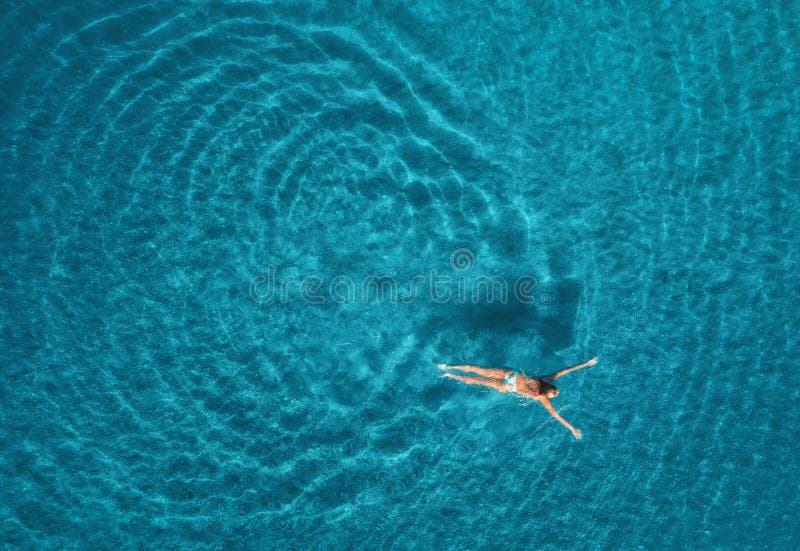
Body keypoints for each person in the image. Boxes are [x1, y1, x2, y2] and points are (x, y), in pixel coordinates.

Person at [437, 357, 598, 439]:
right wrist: (586, 364)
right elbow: (566, 371)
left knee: (477, 375)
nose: (553, 392)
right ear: (550, 389)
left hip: (509, 381)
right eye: (554, 391)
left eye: (553, 393)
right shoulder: (544, 388)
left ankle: (449, 371)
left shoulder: (544, 389)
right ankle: (449, 369)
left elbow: (556, 414)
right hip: (509, 380)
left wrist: (571, 428)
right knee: (478, 374)